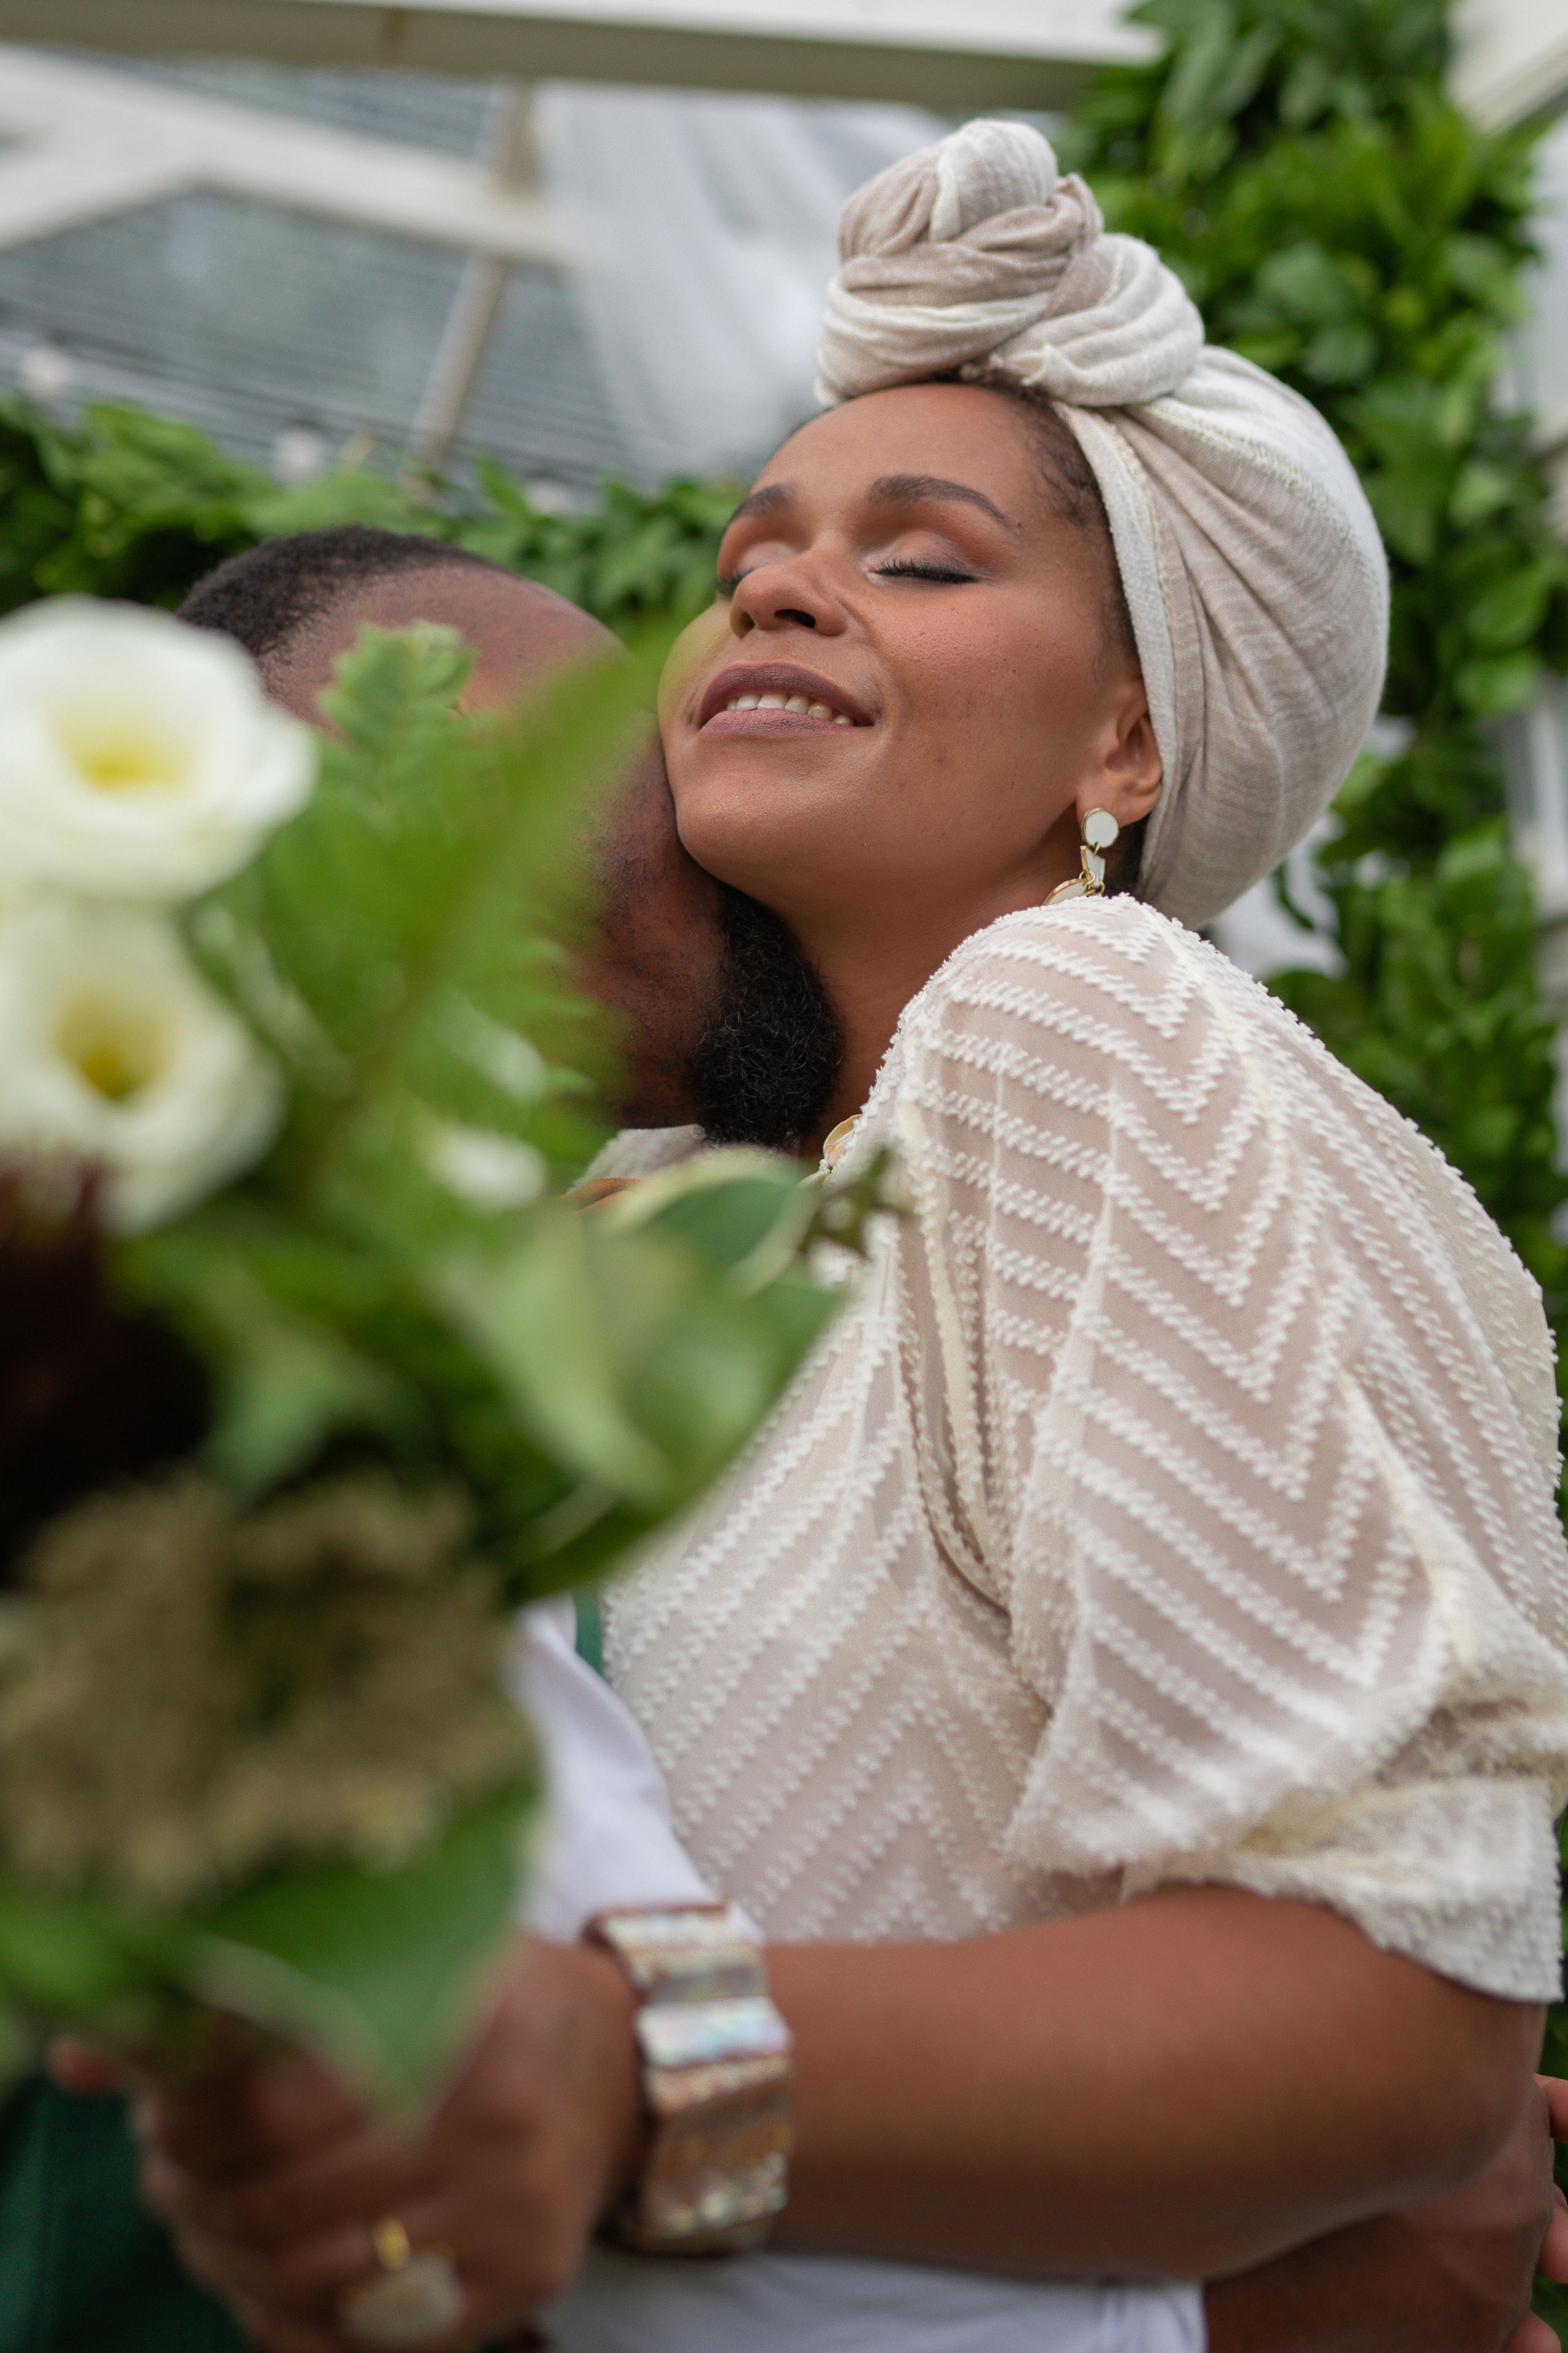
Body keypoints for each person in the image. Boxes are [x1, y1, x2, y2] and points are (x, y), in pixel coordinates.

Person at [131, 117, 1568, 2347]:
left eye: (920, 560)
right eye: (754, 548)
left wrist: (637, 2062)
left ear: (1127, 728)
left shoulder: (1070, 1023)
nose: (777, 588)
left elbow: (1398, 2006)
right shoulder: (718, 1215)